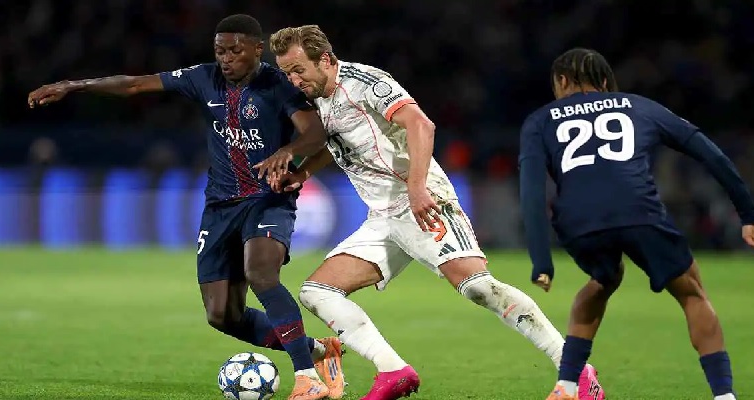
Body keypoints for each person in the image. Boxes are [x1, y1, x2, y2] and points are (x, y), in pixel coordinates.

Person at [257, 25, 604, 400]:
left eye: (298, 70)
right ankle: (393, 372)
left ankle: (577, 371)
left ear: (325, 59)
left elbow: (420, 124)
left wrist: (418, 187)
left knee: (478, 287)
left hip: (420, 201)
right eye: (287, 73)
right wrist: (303, 173)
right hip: (383, 218)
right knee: (318, 292)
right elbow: (335, 140)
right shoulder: (319, 97)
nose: (294, 81)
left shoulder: (365, 82)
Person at [27, 14, 345, 400]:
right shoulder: (203, 77)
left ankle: (307, 377)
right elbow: (135, 84)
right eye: (220, 50)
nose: (226, 58)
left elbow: (315, 132)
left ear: (257, 49)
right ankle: (318, 350)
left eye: (235, 50)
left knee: (261, 274)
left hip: (268, 198)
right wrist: (74, 85)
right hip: (220, 206)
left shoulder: (277, 84)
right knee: (221, 315)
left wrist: (288, 152)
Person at [518, 47, 754, 400]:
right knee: (691, 291)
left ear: (562, 80)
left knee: (603, 280)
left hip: (580, 221)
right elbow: (711, 154)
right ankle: (724, 396)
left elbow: (531, 191)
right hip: (638, 211)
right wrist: (750, 215)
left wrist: (541, 260)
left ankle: (566, 386)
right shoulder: (638, 106)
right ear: (605, 81)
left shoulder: (539, 120)